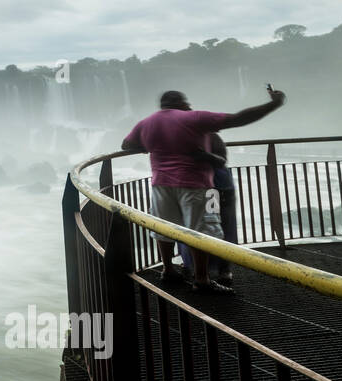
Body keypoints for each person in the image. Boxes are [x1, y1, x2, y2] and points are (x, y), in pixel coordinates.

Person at [121, 88, 286, 293]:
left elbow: (126, 144)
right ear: (180, 103)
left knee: (163, 228)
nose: (189, 106)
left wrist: (151, 146)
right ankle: (202, 279)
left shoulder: (146, 123)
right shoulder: (195, 118)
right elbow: (237, 119)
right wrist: (274, 104)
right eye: (186, 103)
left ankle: (168, 269)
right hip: (194, 184)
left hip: (161, 183)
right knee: (199, 231)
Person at [179, 133, 238, 283]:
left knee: (219, 227)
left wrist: (204, 156)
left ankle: (222, 268)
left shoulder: (208, 137)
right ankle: (197, 266)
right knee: (202, 227)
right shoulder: (208, 137)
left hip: (216, 189)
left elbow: (221, 160)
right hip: (206, 188)